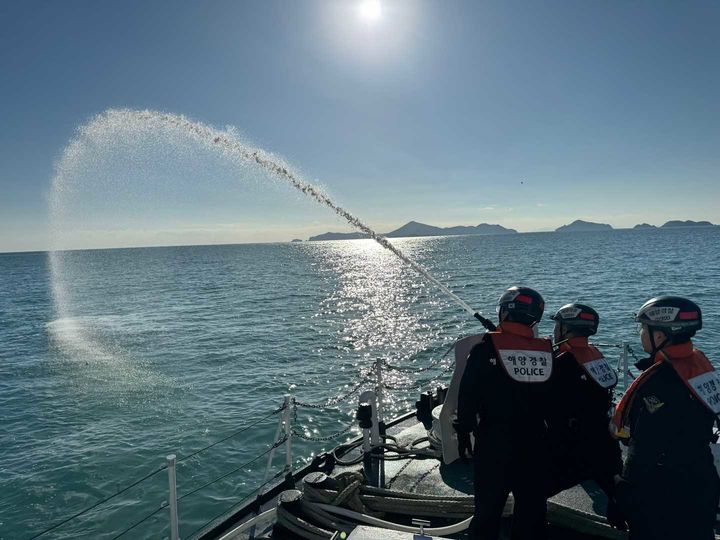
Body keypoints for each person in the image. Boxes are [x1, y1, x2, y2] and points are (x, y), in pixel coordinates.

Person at [611, 296, 720, 540]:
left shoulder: (658, 382)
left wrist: (623, 494)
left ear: (659, 336)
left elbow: (643, 449)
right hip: (703, 477)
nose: (640, 333)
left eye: (643, 328)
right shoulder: (699, 363)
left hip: (665, 492)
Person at [455, 286, 554, 540]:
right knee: (531, 512)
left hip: (494, 444)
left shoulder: (484, 349)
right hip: (535, 444)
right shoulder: (547, 353)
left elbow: (467, 397)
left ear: (504, 313)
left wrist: (464, 431)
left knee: (487, 511)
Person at [547, 303, 626, 529]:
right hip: (603, 443)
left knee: (530, 491)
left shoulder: (559, 363)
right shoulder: (595, 357)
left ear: (567, 330)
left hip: (568, 448)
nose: (554, 331)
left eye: (558, 326)